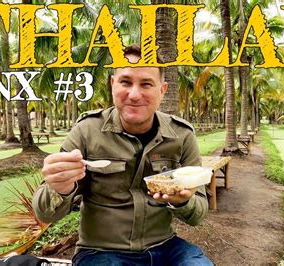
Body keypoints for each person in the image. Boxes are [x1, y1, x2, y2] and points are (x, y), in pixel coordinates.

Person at [32, 44, 212, 265]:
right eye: (125, 82)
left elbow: (199, 213)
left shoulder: (182, 135)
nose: (134, 95)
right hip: (101, 251)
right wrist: (59, 187)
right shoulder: (87, 131)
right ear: (112, 84)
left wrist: (182, 201)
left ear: (162, 90)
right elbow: (44, 214)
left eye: (146, 84)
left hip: (165, 247)